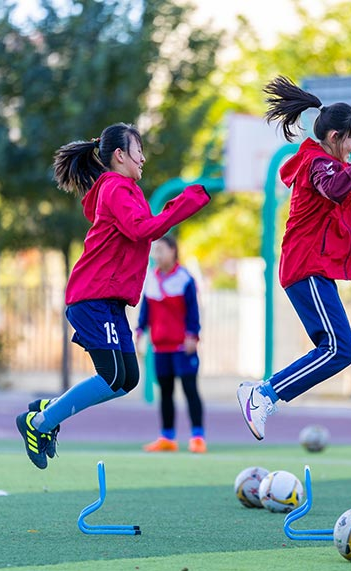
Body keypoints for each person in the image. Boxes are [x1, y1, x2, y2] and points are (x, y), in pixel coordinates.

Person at [15, 123, 211, 470]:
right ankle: (40, 423)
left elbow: (141, 230)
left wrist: (177, 205)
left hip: (110, 301)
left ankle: (49, 410)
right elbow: (142, 230)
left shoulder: (126, 189)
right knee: (111, 376)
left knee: (127, 380)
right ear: (120, 156)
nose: (144, 157)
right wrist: (185, 203)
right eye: (138, 150)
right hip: (91, 297)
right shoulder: (116, 188)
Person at [236, 76, 351, 440]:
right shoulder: (316, 163)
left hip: (312, 268)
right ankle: (263, 394)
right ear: (334, 138)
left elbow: (344, 177)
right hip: (306, 265)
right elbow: (334, 186)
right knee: (339, 349)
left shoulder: (322, 162)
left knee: (338, 350)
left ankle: (264, 393)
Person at [138, 235, 206, 454]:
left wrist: (192, 335)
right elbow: (145, 310)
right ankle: (167, 437)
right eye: (155, 250)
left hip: (181, 346)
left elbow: (193, 310)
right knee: (165, 392)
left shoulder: (185, 279)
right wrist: (139, 331)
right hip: (160, 347)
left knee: (189, 390)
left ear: (173, 251)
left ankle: (197, 436)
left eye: (161, 250)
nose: (157, 254)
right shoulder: (150, 278)